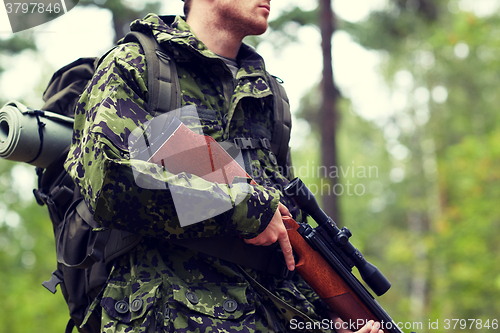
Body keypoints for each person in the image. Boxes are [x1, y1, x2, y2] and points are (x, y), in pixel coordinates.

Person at [64, 0, 384, 332]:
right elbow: (108, 181)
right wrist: (246, 208)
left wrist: (326, 321)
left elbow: (283, 241)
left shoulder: (268, 93)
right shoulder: (139, 64)